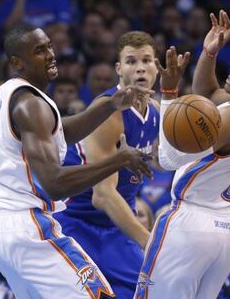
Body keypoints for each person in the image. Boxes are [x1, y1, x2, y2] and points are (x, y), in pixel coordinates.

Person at [0, 23, 154, 299]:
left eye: (49, 46)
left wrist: (109, 105)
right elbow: (55, 184)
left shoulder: (10, 92)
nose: (50, 54)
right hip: (27, 227)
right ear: (18, 63)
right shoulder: (31, 106)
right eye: (39, 51)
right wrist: (118, 160)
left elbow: (62, 131)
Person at [135, 9, 230, 298]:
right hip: (226, 228)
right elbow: (208, 93)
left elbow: (168, 160)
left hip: (190, 223)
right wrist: (210, 52)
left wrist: (167, 94)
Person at [55, 31, 182, 299]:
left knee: (155, 290)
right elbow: (103, 196)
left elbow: (160, 161)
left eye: (147, 60)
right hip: (77, 222)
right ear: (119, 69)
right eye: (131, 61)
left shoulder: (157, 111)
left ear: (157, 68)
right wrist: (152, 243)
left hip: (117, 227)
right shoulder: (108, 110)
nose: (140, 67)